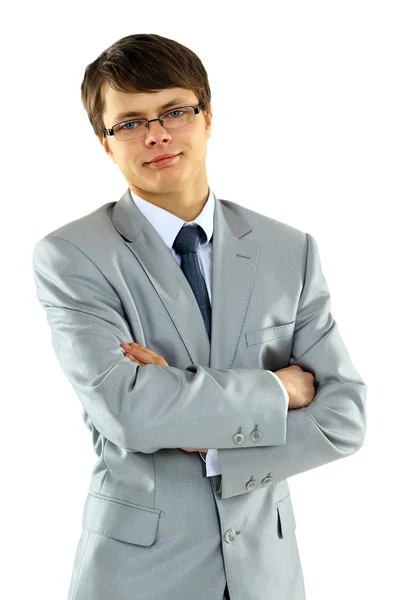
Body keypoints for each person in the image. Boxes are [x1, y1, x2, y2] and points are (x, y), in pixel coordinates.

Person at [32, 33, 367, 600]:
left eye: (174, 111)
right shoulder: (73, 255)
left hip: (269, 574)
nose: (157, 133)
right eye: (130, 122)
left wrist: (204, 436)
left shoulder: (291, 250)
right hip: (140, 576)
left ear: (207, 118)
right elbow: (131, 414)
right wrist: (277, 390)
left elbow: (345, 417)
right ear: (104, 143)